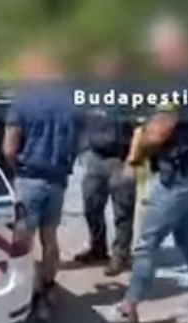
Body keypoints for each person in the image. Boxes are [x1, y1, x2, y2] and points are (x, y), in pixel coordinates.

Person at [108, 16, 188, 323]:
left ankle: (129, 307)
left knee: (147, 245)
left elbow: (158, 133)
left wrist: (137, 151)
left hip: (175, 178)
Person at [2, 47, 81, 322]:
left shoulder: (22, 104)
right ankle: (48, 288)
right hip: (57, 180)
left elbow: (9, 148)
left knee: (23, 240)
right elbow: (76, 143)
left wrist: (16, 170)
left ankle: (27, 294)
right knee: (50, 238)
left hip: (28, 178)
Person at [73, 51, 138, 276]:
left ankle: (121, 255)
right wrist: (83, 150)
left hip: (122, 159)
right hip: (95, 157)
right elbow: (80, 123)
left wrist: (133, 161)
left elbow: (140, 130)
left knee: (123, 212)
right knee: (91, 207)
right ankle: (97, 247)